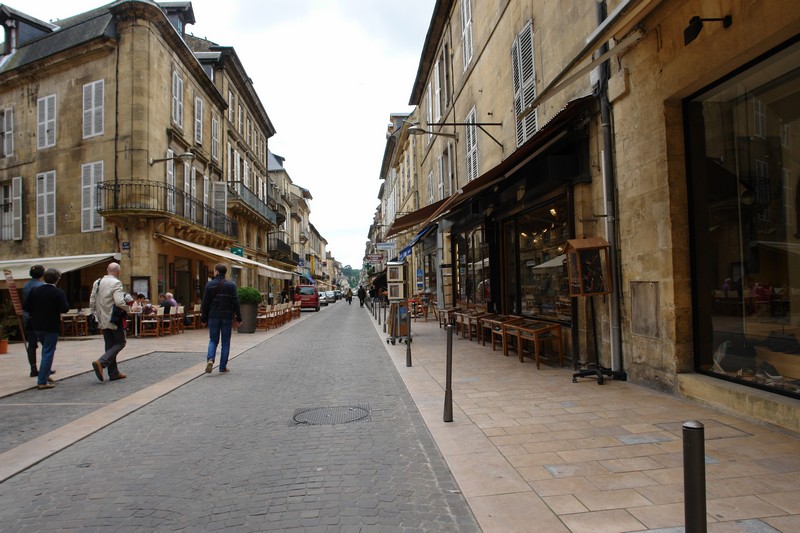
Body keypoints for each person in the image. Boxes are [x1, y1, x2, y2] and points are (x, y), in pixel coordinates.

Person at [22, 268, 69, 390]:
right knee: (48, 351)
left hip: (36, 325)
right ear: (57, 279)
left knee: (46, 350)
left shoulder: (34, 291)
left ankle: (45, 374)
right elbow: (64, 308)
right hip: (50, 326)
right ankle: (42, 380)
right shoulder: (58, 292)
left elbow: (25, 306)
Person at [89, 262, 129, 382]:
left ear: (107, 270)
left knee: (109, 344)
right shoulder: (116, 283)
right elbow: (119, 302)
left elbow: (92, 300)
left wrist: (95, 314)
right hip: (113, 318)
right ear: (118, 272)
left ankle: (113, 372)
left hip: (102, 318)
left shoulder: (98, 282)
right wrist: (128, 309)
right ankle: (101, 362)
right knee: (121, 342)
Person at [200, 263, 242, 374]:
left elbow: (205, 303)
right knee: (226, 342)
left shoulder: (209, 285)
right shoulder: (231, 285)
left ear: (217, 272)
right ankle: (222, 367)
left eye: (214, 271)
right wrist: (239, 318)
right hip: (227, 316)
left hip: (213, 316)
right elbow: (236, 302)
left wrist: (203, 318)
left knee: (213, 340)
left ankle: (210, 359)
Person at [21, 264, 49, 378]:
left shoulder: (26, 285)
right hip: (39, 318)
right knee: (46, 344)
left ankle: (33, 368)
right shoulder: (41, 286)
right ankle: (45, 368)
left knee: (32, 344)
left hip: (27, 317)